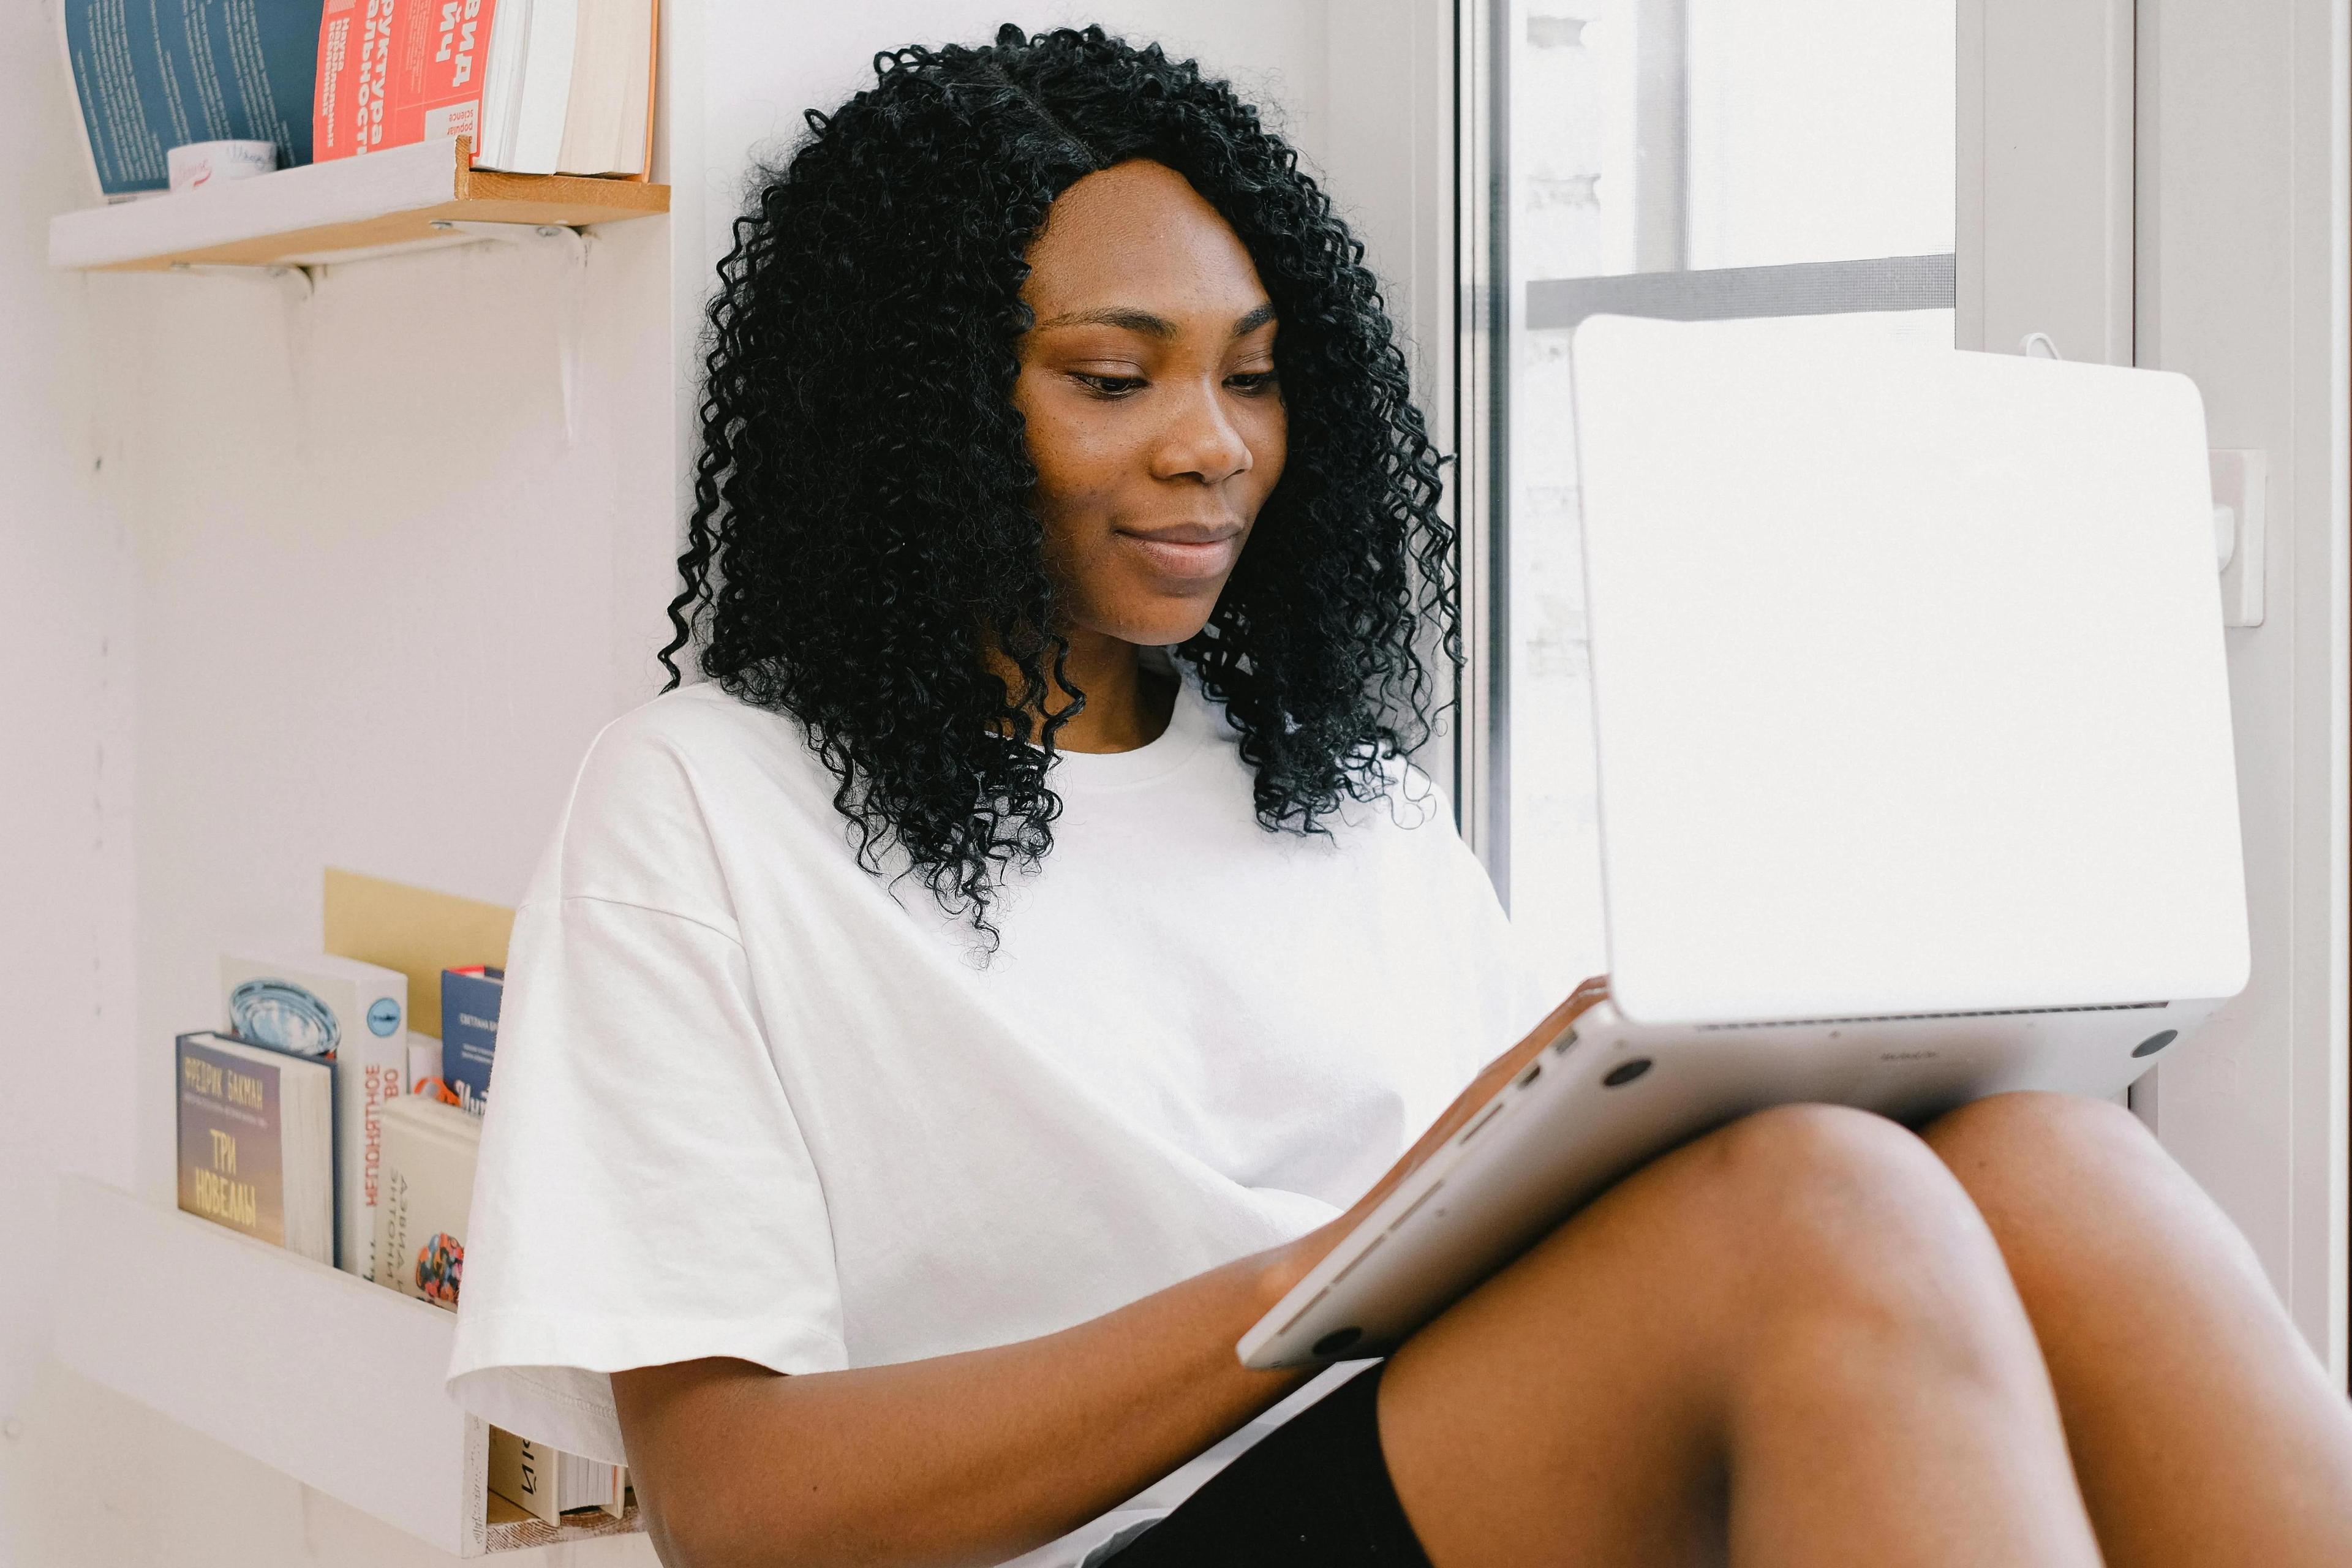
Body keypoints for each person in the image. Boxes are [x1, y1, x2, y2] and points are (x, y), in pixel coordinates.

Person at [446, 25, 2352, 1568]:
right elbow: (740, 1511)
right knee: (1816, 1206)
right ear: (918, 416)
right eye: (1115, 378)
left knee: (2047, 1152)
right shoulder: (699, 809)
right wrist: (1304, 1287)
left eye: (1258, 380)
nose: (1212, 447)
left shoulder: (1340, 804)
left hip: (1403, 1477)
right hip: (1113, 1543)